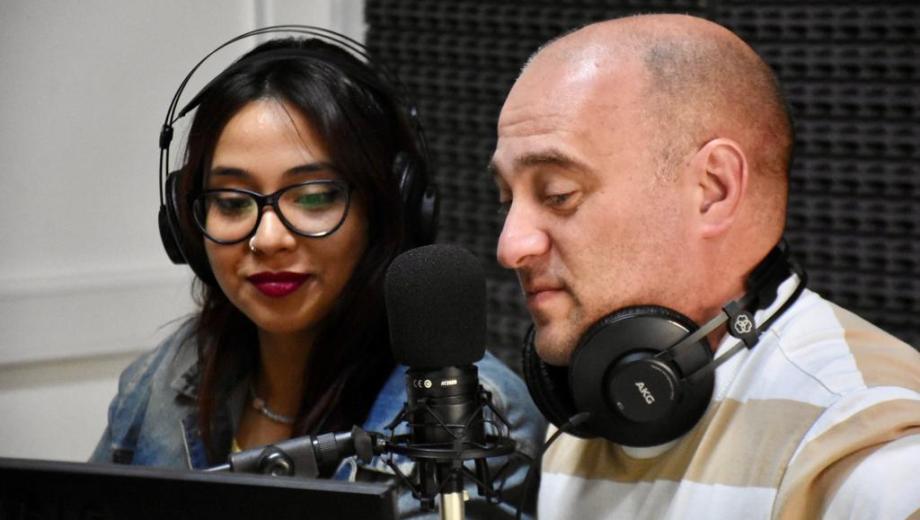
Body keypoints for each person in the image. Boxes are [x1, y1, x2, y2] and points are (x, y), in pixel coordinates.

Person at [91, 33, 545, 518]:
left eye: (312, 197)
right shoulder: (165, 377)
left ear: (390, 209)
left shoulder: (465, 415)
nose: (267, 238)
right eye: (232, 202)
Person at [490, 13, 920, 520]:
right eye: (506, 199)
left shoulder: (868, 452)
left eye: (559, 194)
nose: (510, 246)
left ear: (713, 190)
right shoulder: (588, 414)